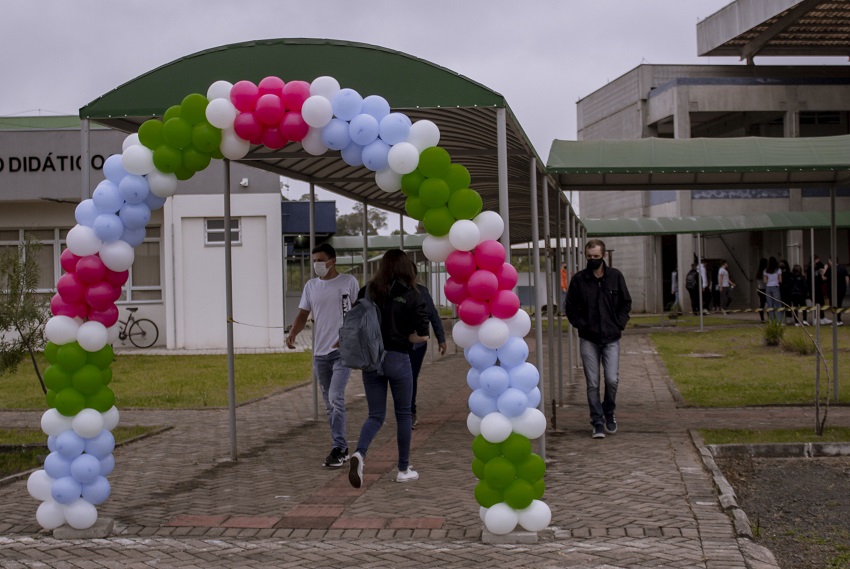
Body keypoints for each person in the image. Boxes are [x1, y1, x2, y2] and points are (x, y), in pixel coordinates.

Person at [348, 249, 430, 488]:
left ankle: (360, 454)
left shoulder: (368, 291)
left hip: (371, 360)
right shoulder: (413, 295)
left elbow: (355, 321)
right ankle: (403, 469)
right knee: (403, 414)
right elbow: (422, 336)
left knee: (375, 415)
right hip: (398, 358)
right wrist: (408, 337)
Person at [286, 243, 360, 468]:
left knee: (336, 397)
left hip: (341, 352)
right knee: (329, 402)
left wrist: (349, 337)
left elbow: (359, 314)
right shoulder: (311, 286)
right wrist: (292, 334)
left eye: (320, 260)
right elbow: (303, 314)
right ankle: (341, 447)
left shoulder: (349, 283)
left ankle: (339, 447)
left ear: (332, 261)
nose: (317, 264)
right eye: (314, 260)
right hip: (320, 354)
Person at [565, 239, 632, 440]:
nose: (592, 260)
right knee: (592, 382)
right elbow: (570, 307)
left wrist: (619, 323)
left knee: (612, 379)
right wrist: (582, 325)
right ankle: (597, 422)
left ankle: (609, 412)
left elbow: (626, 303)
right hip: (589, 338)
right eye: (589, 257)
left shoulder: (615, 277)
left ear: (603, 256)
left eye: (596, 256)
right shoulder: (579, 279)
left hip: (611, 337)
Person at [409, 264, 447, 429]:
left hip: (417, 345)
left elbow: (433, 315)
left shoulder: (422, 291)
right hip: (395, 343)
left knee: (410, 377)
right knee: (401, 378)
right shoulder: (390, 291)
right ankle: (405, 410)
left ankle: (410, 411)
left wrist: (441, 338)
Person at [763, 256, 783, 323]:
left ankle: (772, 320)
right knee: (777, 304)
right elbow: (780, 280)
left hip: (768, 287)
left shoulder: (766, 270)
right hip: (775, 287)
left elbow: (765, 281)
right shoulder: (778, 270)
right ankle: (778, 321)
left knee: (770, 305)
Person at [756, 258, 768, 322]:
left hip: (760, 289)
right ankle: (769, 317)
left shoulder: (758, 272)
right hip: (765, 288)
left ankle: (762, 318)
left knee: (762, 304)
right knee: (768, 304)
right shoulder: (766, 271)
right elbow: (765, 281)